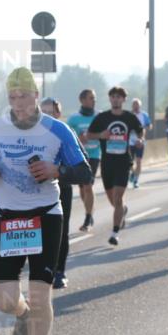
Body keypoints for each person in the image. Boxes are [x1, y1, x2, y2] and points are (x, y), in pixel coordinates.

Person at [0, 68, 91, 335]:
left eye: (24, 96)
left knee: (42, 295)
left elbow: (85, 171)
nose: (18, 103)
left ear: (36, 96)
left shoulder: (57, 130)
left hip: (45, 216)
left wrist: (57, 170)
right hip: (7, 218)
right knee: (4, 299)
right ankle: (22, 314)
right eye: (12, 97)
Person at [84, 87, 144, 246]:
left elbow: (140, 131)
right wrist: (100, 135)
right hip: (107, 163)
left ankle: (115, 232)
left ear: (124, 100)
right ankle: (122, 211)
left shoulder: (129, 117)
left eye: (119, 97)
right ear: (110, 99)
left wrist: (139, 139)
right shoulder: (102, 118)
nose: (116, 99)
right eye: (113, 97)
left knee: (118, 199)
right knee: (113, 200)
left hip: (123, 162)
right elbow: (89, 135)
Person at [41, 97, 73, 289]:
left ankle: (59, 271)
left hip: (61, 188)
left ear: (58, 114)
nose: (46, 117)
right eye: (43, 113)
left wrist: (58, 170)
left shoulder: (66, 135)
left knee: (61, 231)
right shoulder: (30, 135)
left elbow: (78, 166)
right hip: (37, 190)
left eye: (51, 113)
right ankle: (43, 272)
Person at [67, 89, 100, 232]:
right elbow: (68, 137)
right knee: (82, 188)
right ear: (82, 100)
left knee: (88, 185)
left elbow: (106, 134)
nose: (94, 100)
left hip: (94, 155)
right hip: (79, 156)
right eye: (91, 98)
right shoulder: (74, 119)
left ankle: (88, 217)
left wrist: (94, 136)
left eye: (94, 98)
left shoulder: (100, 116)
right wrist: (79, 139)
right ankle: (90, 211)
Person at [130, 98, 152, 188]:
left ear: (140, 105)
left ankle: (136, 180)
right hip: (130, 142)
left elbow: (149, 125)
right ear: (132, 106)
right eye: (134, 105)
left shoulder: (144, 115)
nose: (136, 106)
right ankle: (133, 173)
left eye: (137, 105)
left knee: (138, 161)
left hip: (140, 141)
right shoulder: (129, 115)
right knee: (129, 162)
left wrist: (143, 129)